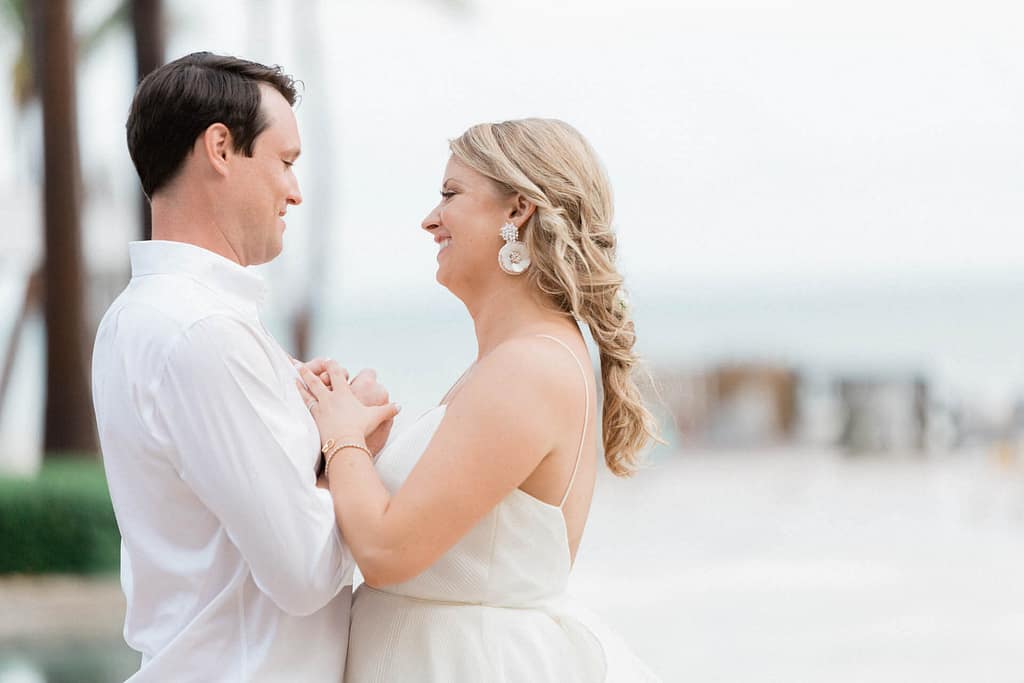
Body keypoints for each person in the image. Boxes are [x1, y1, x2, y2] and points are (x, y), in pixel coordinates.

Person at [297, 118, 661, 681]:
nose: (429, 219)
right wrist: (356, 458)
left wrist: (340, 433)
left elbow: (389, 553)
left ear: (517, 211)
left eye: (450, 194)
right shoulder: (513, 360)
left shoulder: (529, 368)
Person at [92, 52, 391, 681]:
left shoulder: (138, 318)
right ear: (221, 148)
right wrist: (348, 445)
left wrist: (309, 425)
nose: (295, 190)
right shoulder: (204, 333)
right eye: (284, 162)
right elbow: (305, 574)